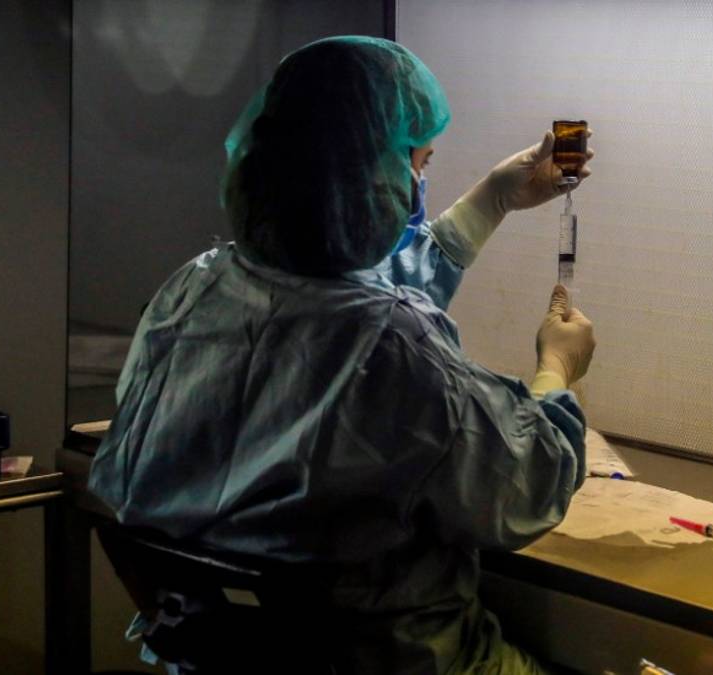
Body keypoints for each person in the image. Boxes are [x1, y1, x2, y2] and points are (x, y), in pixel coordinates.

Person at [88, 36, 596, 674]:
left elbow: (335, 305)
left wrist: (493, 198)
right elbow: (529, 487)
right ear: (370, 174)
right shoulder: (393, 346)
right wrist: (557, 373)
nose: (417, 184)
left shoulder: (191, 292)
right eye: (418, 163)